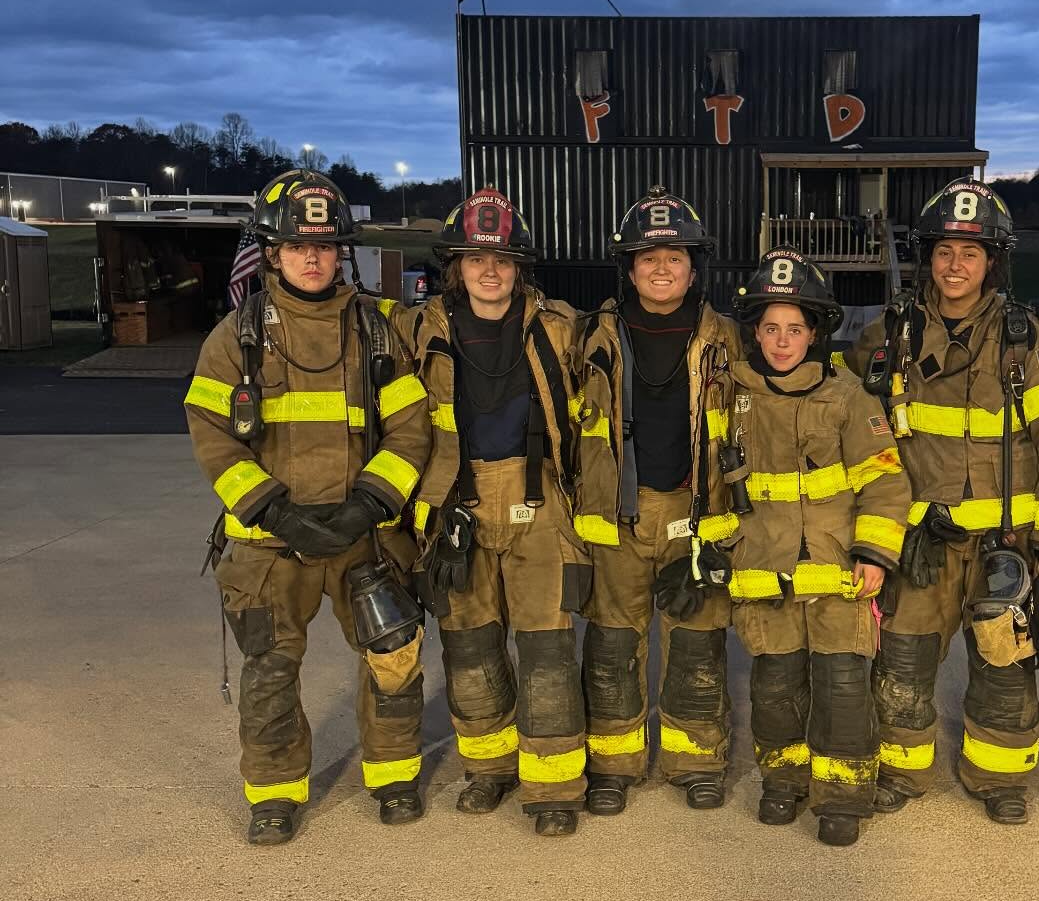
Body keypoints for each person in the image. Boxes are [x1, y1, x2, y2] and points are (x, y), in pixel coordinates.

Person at [184, 168, 431, 845]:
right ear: (272, 253)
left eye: (325, 247)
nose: (313, 258)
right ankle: (274, 794)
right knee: (270, 671)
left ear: (341, 251)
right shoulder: (235, 338)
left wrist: (367, 505)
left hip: (363, 535)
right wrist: (274, 512)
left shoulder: (376, 332)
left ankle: (394, 777)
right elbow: (212, 438)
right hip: (272, 544)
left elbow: (411, 429)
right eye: (298, 247)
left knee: (393, 658)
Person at [850, 181, 1039, 823]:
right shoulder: (888, 334)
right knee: (903, 658)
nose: (955, 266)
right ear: (927, 256)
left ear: (992, 262)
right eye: (945, 251)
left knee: (1005, 661)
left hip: (1001, 543)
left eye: (971, 253)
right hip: (920, 539)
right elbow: (854, 426)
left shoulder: (1020, 338)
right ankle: (901, 770)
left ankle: (999, 777)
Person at [401, 189, 589, 838]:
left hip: (539, 503)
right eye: (476, 259)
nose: (489, 270)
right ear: (455, 266)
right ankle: (489, 770)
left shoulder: (562, 327)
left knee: (547, 653)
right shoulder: (417, 330)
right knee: (472, 648)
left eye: (503, 259)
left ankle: (554, 786)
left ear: (520, 268)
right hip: (458, 503)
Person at [722, 250, 912, 845]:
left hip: (838, 571)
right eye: (771, 328)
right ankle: (784, 784)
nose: (783, 342)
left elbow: (886, 480)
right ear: (755, 331)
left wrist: (875, 554)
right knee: (776, 687)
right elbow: (709, 484)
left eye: (796, 329)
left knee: (842, 687)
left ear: (816, 332)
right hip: (764, 570)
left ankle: (844, 798)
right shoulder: (732, 398)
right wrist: (720, 547)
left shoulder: (850, 397)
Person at [572, 188, 741, 814]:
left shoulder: (728, 337)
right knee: (614, 643)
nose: (662, 268)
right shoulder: (593, 337)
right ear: (629, 267)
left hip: (695, 512)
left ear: (695, 267)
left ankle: (695, 761)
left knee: (696, 641)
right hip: (619, 511)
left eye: (675, 256)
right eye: (648, 257)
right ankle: (615, 764)